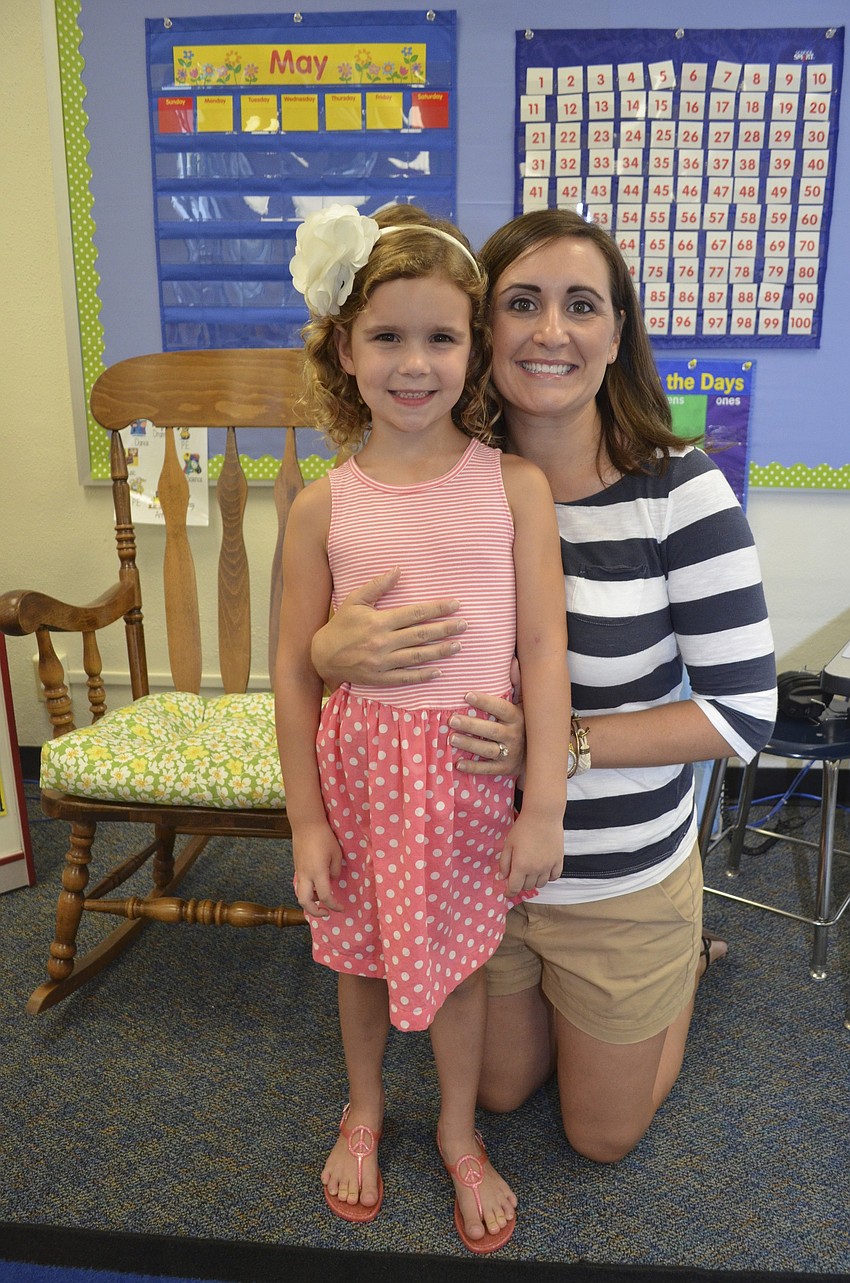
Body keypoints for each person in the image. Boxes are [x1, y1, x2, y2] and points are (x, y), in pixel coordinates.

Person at [310, 207, 777, 1167]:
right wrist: (328, 652)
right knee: (500, 1088)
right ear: (485, 328)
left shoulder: (680, 492)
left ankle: (680, 961)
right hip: (476, 857)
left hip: (613, 870)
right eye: (522, 303)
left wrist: (556, 747)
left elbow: (742, 714)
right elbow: (345, 638)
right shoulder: (433, 476)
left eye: (582, 306)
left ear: (616, 333)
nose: (551, 331)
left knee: (598, 1135)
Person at [274, 203, 571, 1251]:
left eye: (440, 336)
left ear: (474, 349)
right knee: (358, 956)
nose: (413, 362)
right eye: (386, 336)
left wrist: (544, 804)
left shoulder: (515, 487)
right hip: (359, 777)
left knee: (459, 962)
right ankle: (363, 1107)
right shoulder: (322, 505)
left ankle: (455, 1129)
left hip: (466, 781)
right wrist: (306, 823)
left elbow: (544, 651)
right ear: (343, 351)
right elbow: (292, 669)